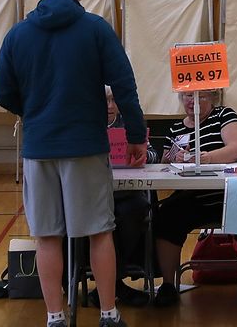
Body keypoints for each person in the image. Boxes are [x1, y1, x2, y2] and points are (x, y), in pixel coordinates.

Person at [0, 0, 144, 327]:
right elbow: (124, 85)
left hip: (40, 147)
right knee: (98, 232)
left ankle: (55, 317)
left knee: (46, 237)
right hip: (86, 146)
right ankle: (108, 314)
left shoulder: (17, 34)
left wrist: (32, 111)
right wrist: (136, 135)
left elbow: (1, 90)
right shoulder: (95, 28)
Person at [151, 90, 237, 307]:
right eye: (187, 96)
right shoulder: (176, 128)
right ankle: (168, 285)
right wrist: (170, 158)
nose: (192, 101)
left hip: (230, 192)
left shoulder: (225, 115)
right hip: (192, 195)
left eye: (201, 97)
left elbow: (236, 148)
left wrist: (205, 158)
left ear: (214, 98)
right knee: (167, 214)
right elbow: (165, 164)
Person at [86, 86, 158, 308]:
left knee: (134, 212)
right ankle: (114, 287)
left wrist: (143, 157)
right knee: (98, 221)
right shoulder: (84, 124)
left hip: (126, 193)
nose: (109, 106)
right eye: (104, 100)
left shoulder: (129, 123)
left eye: (113, 100)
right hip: (91, 194)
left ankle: (110, 285)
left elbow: (153, 153)